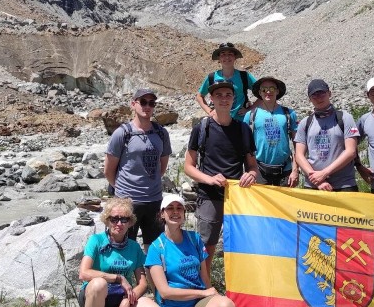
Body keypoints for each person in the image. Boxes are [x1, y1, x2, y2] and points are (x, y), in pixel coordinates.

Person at [145, 194, 236, 307]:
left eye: (179, 208)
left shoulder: (194, 239)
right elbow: (165, 292)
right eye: (170, 208)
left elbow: (204, 277)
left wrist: (212, 293)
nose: (175, 212)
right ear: (162, 214)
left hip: (197, 304)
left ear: (185, 213)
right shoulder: (157, 248)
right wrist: (204, 293)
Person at [78, 198, 163, 307]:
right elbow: (84, 273)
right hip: (94, 295)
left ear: (130, 222)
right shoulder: (96, 240)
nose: (119, 223)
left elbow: (142, 283)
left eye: (124, 219)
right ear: (106, 221)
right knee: (99, 284)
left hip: (121, 298)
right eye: (114, 219)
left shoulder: (134, 247)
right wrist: (117, 278)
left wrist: (126, 301)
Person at [185, 79, 258, 272]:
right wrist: (209, 179)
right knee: (207, 245)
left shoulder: (243, 130)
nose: (224, 99)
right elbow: (188, 166)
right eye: (219, 95)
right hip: (210, 196)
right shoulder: (202, 129)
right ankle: (205, 286)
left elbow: (252, 166)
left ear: (234, 99)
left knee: (240, 247)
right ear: (211, 99)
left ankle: (239, 288)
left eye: (228, 95)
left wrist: (251, 175)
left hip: (238, 197)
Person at [104, 88, 172, 252]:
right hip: (127, 202)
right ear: (133, 104)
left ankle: (149, 277)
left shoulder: (161, 133)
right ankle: (124, 278)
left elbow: (161, 167)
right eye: (143, 102)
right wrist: (122, 189)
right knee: (123, 247)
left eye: (151, 103)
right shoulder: (122, 133)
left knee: (155, 249)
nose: (147, 106)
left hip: (154, 200)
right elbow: (108, 170)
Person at [294, 79, 360, 191]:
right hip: (313, 185)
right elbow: (299, 155)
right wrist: (316, 178)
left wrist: (324, 173)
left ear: (329, 93)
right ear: (309, 99)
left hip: (344, 184)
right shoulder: (305, 123)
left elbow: (351, 152)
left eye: (322, 93)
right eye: (314, 95)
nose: (319, 97)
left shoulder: (344, 118)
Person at [242, 76, 298, 187]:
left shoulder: (289, 113)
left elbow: (297, 144)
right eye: (264, 89)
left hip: (285, 171)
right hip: (259, 171)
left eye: (272, 88)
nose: (268, 91)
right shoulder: (250, 115)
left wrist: (295, 170)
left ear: (277, 91)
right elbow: (245, 145)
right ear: (260, 92)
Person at [195, 42, 257, 120]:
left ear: (235, 57)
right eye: (223, 54)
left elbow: (262, 92)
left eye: (230, 54)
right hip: (219, 121)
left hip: (242, 121)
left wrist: (249, 109)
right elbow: (199, 96)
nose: (227, 57)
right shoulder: (212, 77)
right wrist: (210, 111)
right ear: (219, 59)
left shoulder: (244, 76)